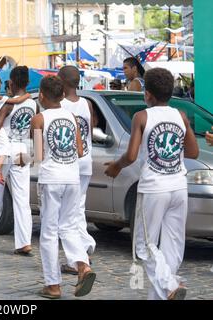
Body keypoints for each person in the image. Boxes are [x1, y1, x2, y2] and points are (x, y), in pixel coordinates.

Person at [105, 68, 199, 300]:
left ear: (147, 94)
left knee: (144, 246)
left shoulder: (142, 117)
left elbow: (131, 155)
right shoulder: (181, 115)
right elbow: (194, 152)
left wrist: (116, 166)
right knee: (173, 245)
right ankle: (162, 293)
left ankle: (170, 285)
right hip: (178, 186)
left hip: (154, 188)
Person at [31, 75, 96, 299]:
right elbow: (79, 150)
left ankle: (53, 285)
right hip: (72, 177)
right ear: (61, 95)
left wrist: (25, 157)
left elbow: (38, 156)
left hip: (51, 178)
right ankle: (82, 266)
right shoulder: (71, 116)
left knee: (49, 232)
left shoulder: (39, 119)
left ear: (41, 95)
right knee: (69, 227)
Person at [0, 66, 38, 255]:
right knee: (22, 200)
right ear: (28, 83)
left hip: (4, 151)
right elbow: (33, 131)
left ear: (11, 83)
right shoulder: (32, 104)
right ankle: (24, 242)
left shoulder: (9, 104)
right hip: (22, 150)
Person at [58, 66, 97, 275]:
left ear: (62, 81)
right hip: (86, 160)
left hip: (69, 162)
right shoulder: (87, 104)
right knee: (78, 208)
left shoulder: (60, 106)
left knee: (68, 213)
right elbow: (88, 132)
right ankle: (83, 250)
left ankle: (80, 256)